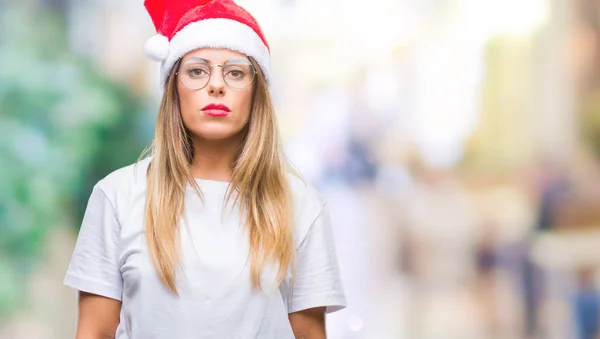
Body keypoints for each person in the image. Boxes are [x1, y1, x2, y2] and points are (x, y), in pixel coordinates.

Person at [63, 1, 347, 338]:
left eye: (236, 72)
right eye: (197, 71)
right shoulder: (116, 195)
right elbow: (93, 332)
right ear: (174, 87)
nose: (216, 85)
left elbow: (308, 333)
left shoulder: (301, 204)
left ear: (257, 92)